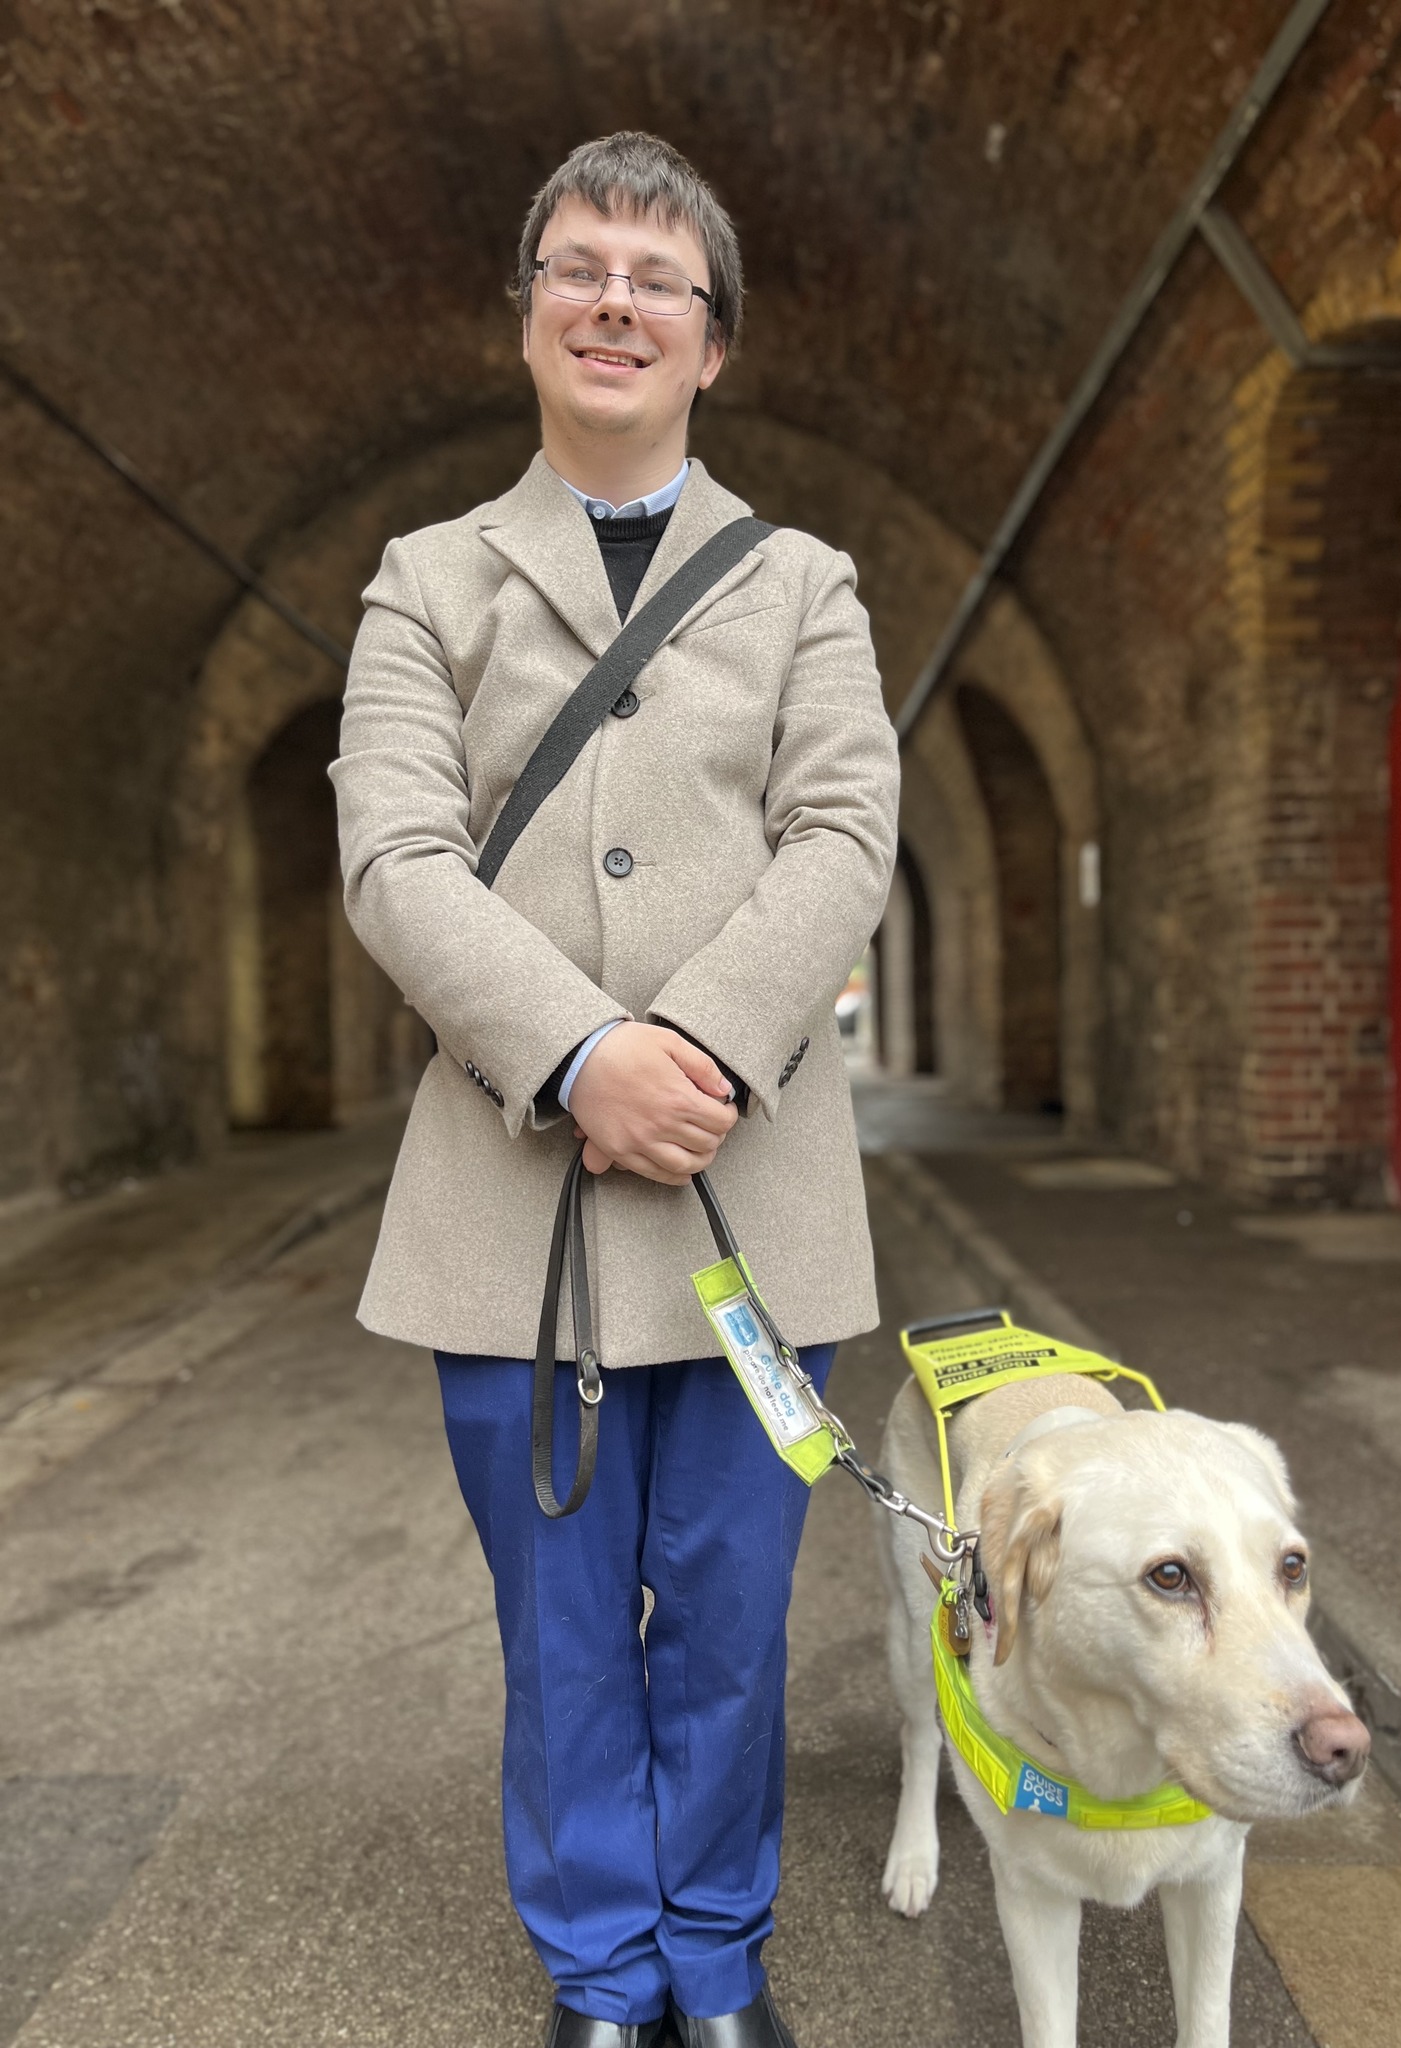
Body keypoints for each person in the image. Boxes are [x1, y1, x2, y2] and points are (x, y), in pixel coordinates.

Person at [331, 131, 899, 2048]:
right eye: (581, 268)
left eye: (659, 282)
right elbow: (394, 858)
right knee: (566, 1639)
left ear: (712, 342)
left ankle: (716, 1966)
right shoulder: (425, 582)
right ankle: (600, 1974)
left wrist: (697, 1050)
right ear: (530, 313)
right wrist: (577, 1057)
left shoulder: (808, 581)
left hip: (758, 1189)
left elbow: (845, 830)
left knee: (730, 1630)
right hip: (514, 1212)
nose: (616, 303)